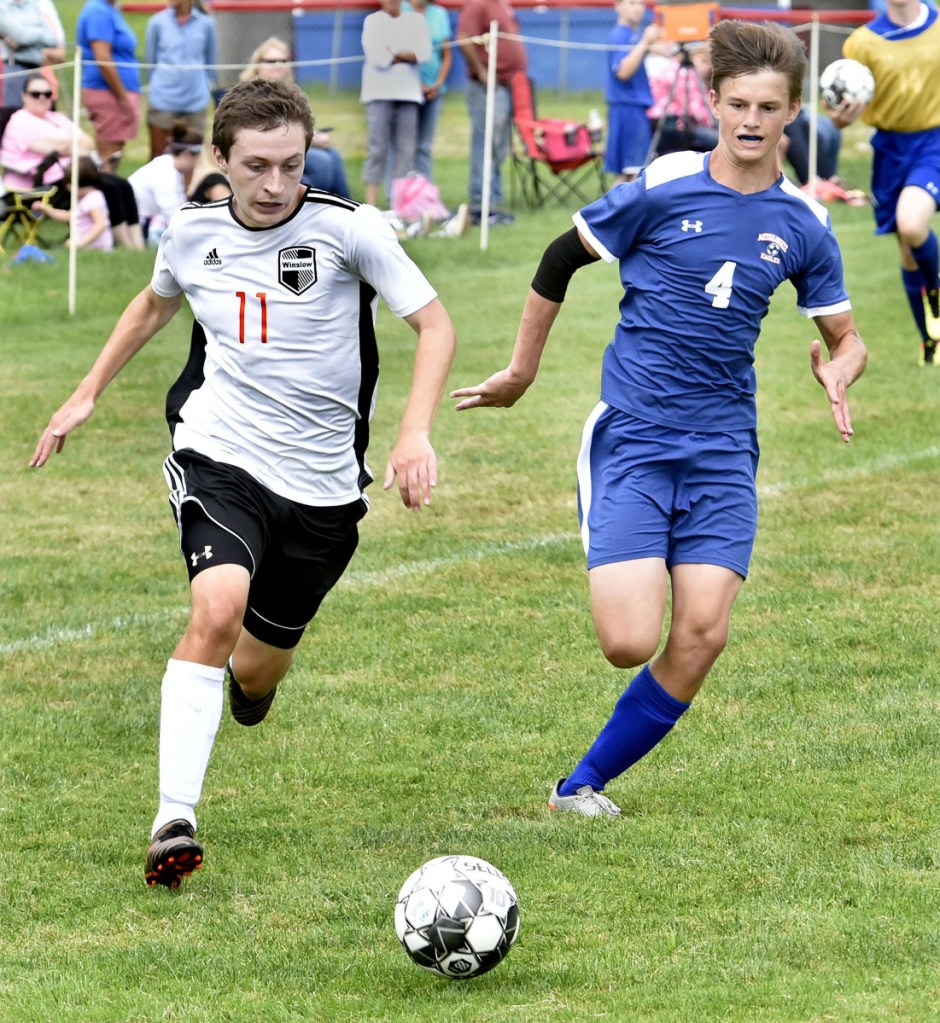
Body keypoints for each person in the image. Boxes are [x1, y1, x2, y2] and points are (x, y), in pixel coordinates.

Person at [29, 76, 456, 889]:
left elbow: (434, 324)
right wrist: (85, 393)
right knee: (216, 606)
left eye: (290, 165)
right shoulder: (190, 233)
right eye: (256, 166)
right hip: (219, 453)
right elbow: (152, 307)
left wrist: (413, 431)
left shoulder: (350, 231)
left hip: (325, 488)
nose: (273, 185)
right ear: (219, 158)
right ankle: (173, 819)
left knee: (257, 669)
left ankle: (243, 689)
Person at [451, 19, 867, 818]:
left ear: (792, 115)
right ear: (712, 101)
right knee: (628, 641)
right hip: (636, 434)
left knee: (703, 631)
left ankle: (579, 785)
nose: (751, 120)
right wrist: (521, 371)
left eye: (769, 107)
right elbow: (558, 258)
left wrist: (839, 369)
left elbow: (846, 338)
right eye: (738, 102)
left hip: (722, 447)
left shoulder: (805, 225)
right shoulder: (661, 183)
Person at [831, 0, 940, 364]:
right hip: (890, 149)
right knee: (907, 252)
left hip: (933, 142)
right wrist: (842, 121)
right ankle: (931, 344)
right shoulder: (862, 43)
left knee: (912, 224)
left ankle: (938, 298)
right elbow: (845, 105)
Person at [240, 36, 351, 198]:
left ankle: (348, 209)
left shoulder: (289, 92)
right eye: (271, 61)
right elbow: (268, 131)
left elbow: (299, 123)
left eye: (284, 61)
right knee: (323, 163)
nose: (278, 65)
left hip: (292, 145)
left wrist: (315, 134)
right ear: (258, 65)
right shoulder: (251, 93)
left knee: (334, 155)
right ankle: (318, 207)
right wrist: (312, 140)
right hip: (268, 149)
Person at [456, 0, 526, 225]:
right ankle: (480, 201)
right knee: (484, 142)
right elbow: (464, 36)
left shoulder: (503, 4)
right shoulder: (478, 4)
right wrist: (482, 71)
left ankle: (493, 198)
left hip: (507, 85)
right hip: (487, 87)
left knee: (498, 144)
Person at [360, 0, 430, 208]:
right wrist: (407, 53)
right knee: (377, 150)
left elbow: (424, 54)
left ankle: (398, 207)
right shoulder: (372, 21)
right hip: (378, 94)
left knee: (406, 152)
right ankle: (371, 206)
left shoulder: (416, 21)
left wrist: (393, 51)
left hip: (408, 94)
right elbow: (378, 58)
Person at [144, 0, 217, 161]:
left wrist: (207, 86)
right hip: (162, 98)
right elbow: (151, 61)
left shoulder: (206, 23)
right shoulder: (157, 22)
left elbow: (210, 60)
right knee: (159, 156)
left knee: (194, 155)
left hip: (195, 99)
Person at [76, 0, 141, 171]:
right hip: (107, 92)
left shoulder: (108, 10)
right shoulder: (98, 11)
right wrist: (122, 96)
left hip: (114, 92)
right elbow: (103, 58)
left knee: (113, 155)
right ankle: (104, 195)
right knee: (108, 159)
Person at [1, 72, 93, 192]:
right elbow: (60, 146)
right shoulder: (20, 121)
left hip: (72, 177)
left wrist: (68, 146)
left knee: (114, 186)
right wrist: (74, 143)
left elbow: (88, 142)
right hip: (40, 185)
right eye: (36, 94)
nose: (42, 98)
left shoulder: (57, 117)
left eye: (47, 94)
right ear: (24, 96)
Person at [604, 0, 662, 182]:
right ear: (618, 6)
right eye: (631, 2)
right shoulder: (619, 36)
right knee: (634, 174)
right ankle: (613, 211)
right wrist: (645, 42)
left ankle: (608, 211)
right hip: (628, 108)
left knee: (625, 174)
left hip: (631, 107)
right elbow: (623, 71)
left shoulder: (632, 35)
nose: (637, 8)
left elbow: (668, 51)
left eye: (640, 3)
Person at [128, 122, 204, 243]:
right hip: (136, 225)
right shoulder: (165, 171)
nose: (198, 163)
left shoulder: (169, 167)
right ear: (187, 154)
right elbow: (173, 212)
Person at [404, 0, 452, 182]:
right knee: (404, 145)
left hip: (434, 90)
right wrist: (418, 84)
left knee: (424, 145)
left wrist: (438, 83)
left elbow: (446, 54)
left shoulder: (439, 14)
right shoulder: (400, 10)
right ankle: (401, 192)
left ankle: (424, 193)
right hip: (406, 89)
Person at [647, 41, 718, 157]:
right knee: (718, 140)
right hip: (672, 126)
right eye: (702, 61)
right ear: (692, 57)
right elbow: (696, 112)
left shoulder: (671, 68)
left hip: (666, 124)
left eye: (708, 63)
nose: (705, 67)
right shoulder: (685, 73)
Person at [32, 154, 114, 250]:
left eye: (69, 183)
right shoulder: (82, 199)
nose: (67, 187)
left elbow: (100, 224)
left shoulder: (92, 199)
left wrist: (81, 243)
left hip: (97, 247)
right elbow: (69, 216)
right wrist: (47, 209)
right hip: (85, 246)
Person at [0, 0, 58, 107]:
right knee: (13, 114)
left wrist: (25, 37)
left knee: (43, 112)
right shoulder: (2, 7)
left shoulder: (32, 5)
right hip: (15, 69)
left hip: (38, 69)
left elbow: (52, 40)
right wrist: (39, 33)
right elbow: (22, 37)